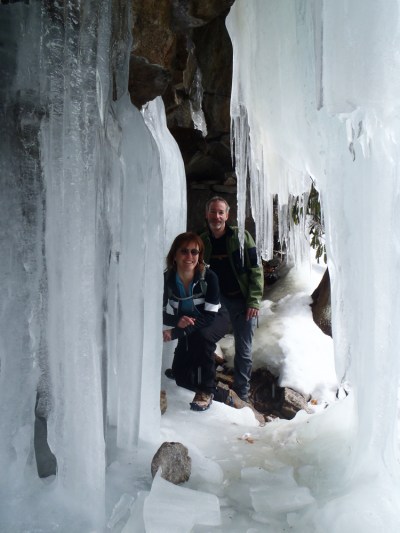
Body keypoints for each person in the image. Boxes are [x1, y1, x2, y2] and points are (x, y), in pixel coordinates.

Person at [200, 196, 264, 402]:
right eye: (213, 212)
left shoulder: (241, 238)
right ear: (206, 214)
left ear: (227, 215)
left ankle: (241, 393)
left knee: (243, 349)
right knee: (203, 340)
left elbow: (255, 269)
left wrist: (254, 301)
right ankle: (204, 384)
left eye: (220, 212)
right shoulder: (202, 241)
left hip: (241, 301)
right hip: (215, 302)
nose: (216, 216)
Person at [162, 232, 229, 411]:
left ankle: (206, 391)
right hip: (189, 324)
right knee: (180, 378)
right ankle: (222, 393)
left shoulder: (209, 278)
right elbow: (159, 312)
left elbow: (209, 316)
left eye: (194, 252)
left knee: (202, 337)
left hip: (215, 318)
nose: (189, 257)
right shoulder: (167, 279)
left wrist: (176, 332)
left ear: (200, 256)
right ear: (174, 255)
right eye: (184, 251)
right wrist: (178, 320)